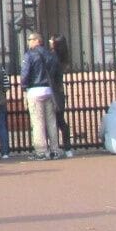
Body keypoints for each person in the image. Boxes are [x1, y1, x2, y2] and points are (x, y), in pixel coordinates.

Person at [20, 32, 62, 160]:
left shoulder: (29, 55)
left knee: (38, 122)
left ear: (37, 40)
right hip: (48, 90)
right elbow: (56, 72)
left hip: (34, 90)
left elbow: (25, 74)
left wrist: (23, 87)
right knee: (51, 122)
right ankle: (55, 150)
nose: (28, 42)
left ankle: (42, 151)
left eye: (30, 39)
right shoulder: (51, 55)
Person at [49, 35, 72, 154]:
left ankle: (56, 148)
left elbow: (51, 75)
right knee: (60, 121)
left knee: (54, 121)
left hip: (53, 92)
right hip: (59, 92)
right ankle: (67, 147)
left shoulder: (53, 57)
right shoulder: (61, 58)